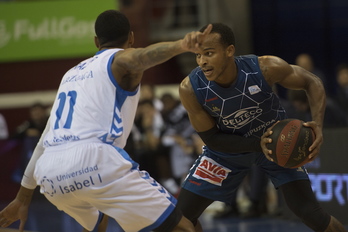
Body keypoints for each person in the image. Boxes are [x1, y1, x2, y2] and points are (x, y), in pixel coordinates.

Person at [0, 10, 213, 232]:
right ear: (131, 38)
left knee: (97, 222)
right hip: (95, 160)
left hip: (50, 175)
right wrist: (182, 45)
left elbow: (45, 139)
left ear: (95, 41)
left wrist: (23, 197)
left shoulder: (70, 74)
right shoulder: (118, 60)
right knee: (186, 226)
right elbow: (142, 57)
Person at [176, 23, 347, 232]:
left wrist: (317, 125)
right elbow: (212, 139)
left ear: (230, 51)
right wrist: (258, 144)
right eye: (198, 55)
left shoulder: (264, 68)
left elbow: (312, 82)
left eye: (209, 53)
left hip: (279, 144)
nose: (202, 61)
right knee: (181, 219)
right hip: (227, 152)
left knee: (311, 213)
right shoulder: (191, 88)